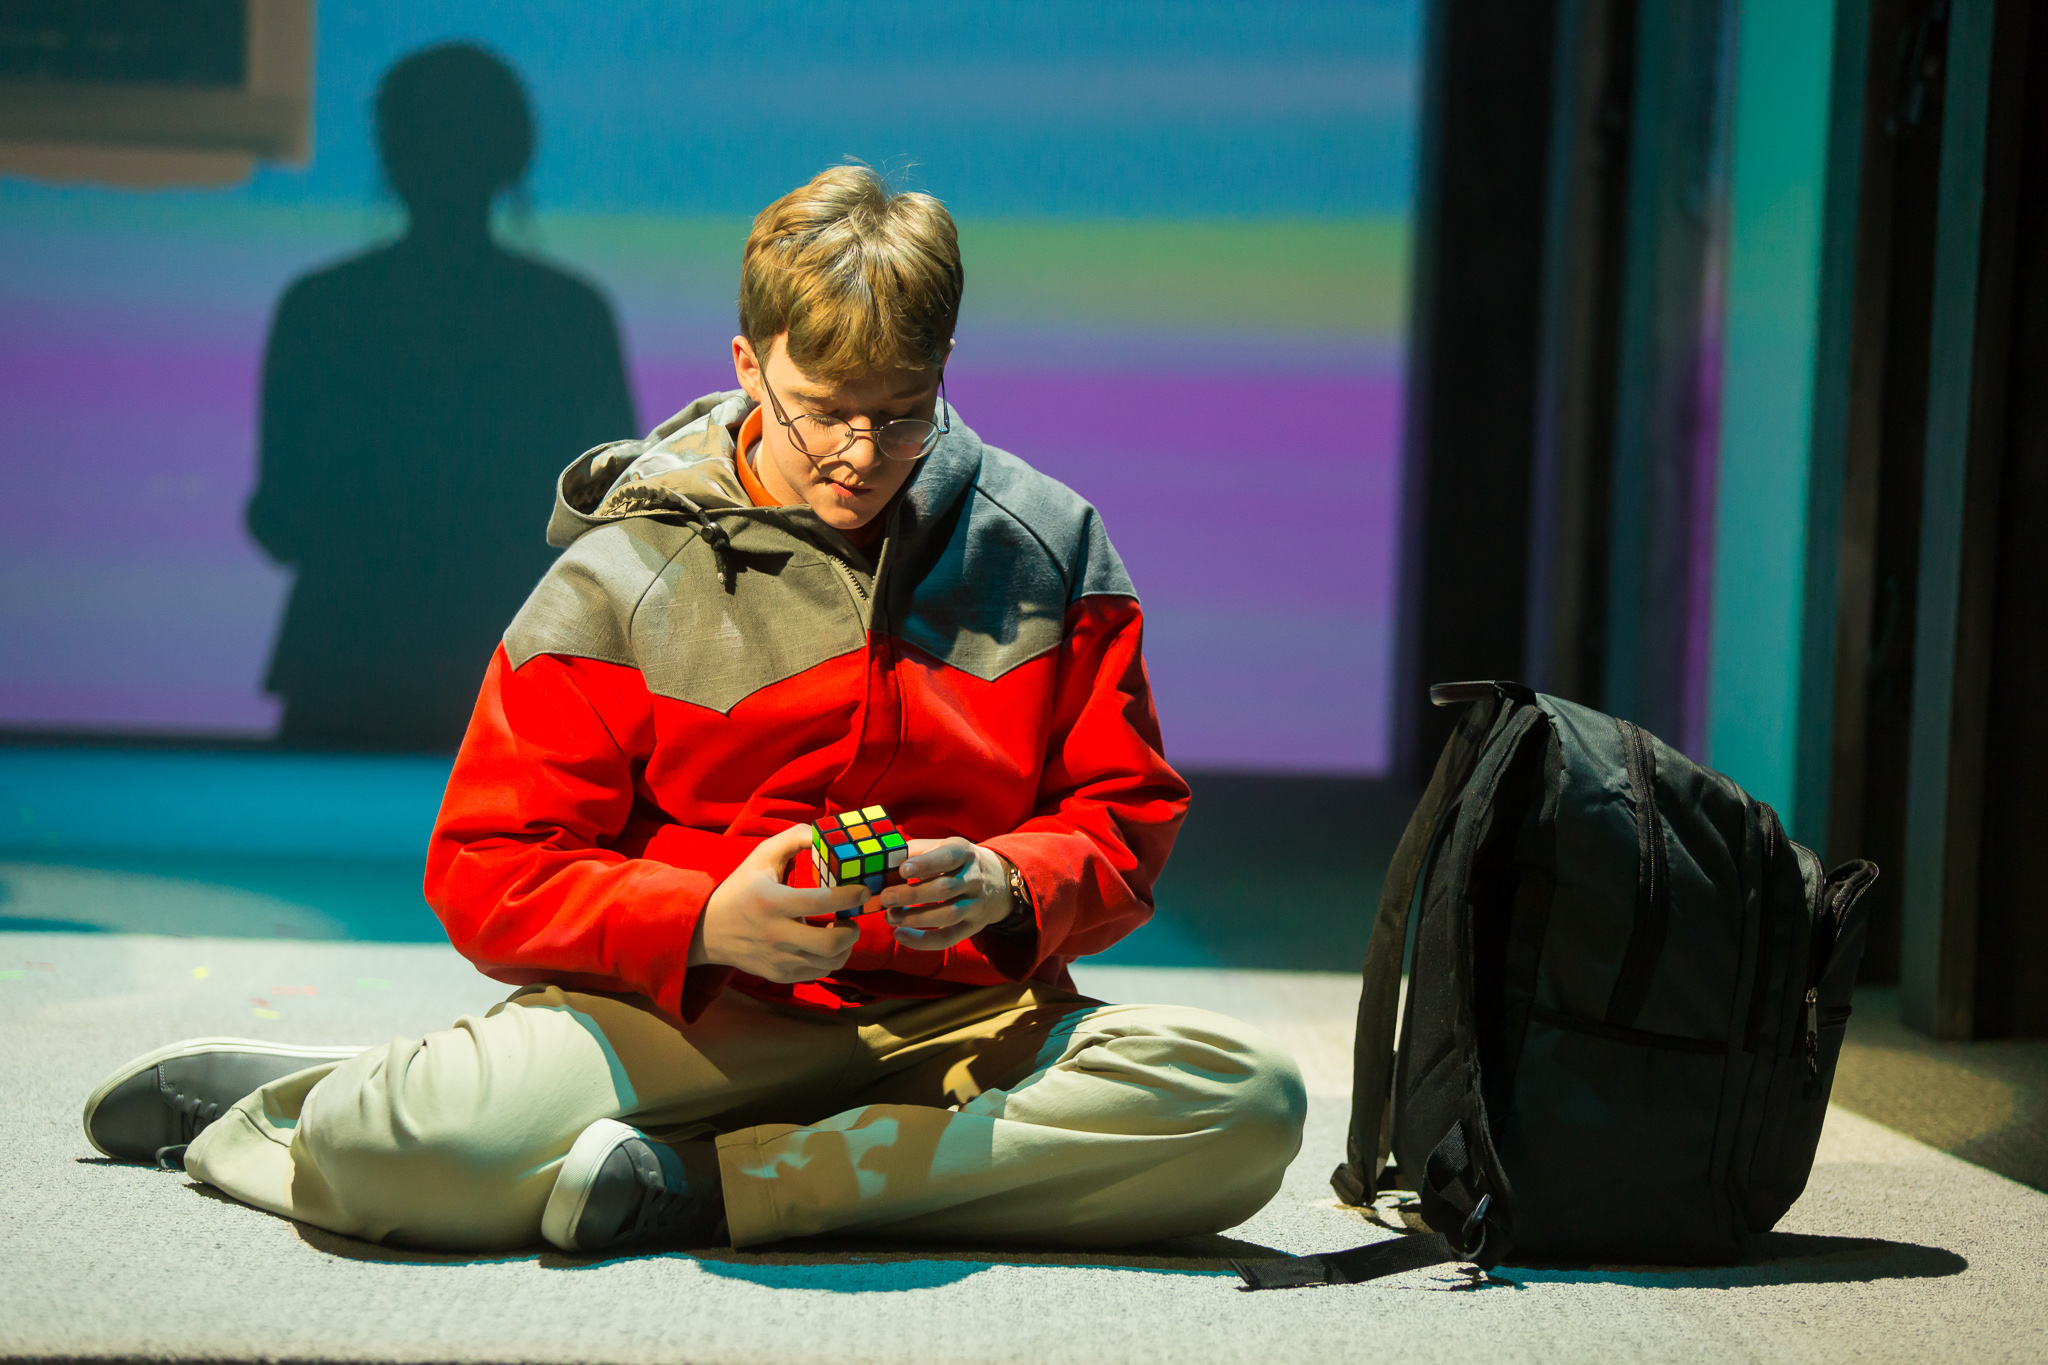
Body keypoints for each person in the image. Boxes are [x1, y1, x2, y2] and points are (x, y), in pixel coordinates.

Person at [82, 166, 1308, 1255]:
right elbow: (485, 866)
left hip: (967, 1021)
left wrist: (1007, 883)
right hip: (698, 1015)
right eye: (823, 408)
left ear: (944, 368)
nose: (859, 453)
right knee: (392, 1158)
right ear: (746, 365)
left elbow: (1122, 815)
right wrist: (709, 920)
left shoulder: (1047, 544)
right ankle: (344, 1100)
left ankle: (716, 1187)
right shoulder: (624, 573)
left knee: (1245, 1106)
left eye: (900, 410)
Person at [248, 42, 634, 750]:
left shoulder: (321, 310)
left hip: (345, 660)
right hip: (521, 664)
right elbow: (610, 519)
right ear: (513, 154)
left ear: (391, 153)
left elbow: (278, 518)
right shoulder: (569, 317)